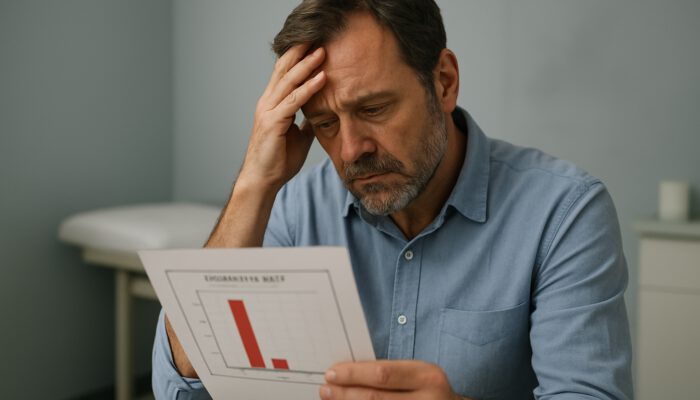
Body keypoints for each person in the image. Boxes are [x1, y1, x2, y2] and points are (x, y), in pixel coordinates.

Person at [152, 1, 633, 399]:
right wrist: (254, 184)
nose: (350, 149)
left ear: (443, 81)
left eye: (373, 109)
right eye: (325, 123)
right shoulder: (294, 208)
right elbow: (185, 385)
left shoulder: (564, 212)